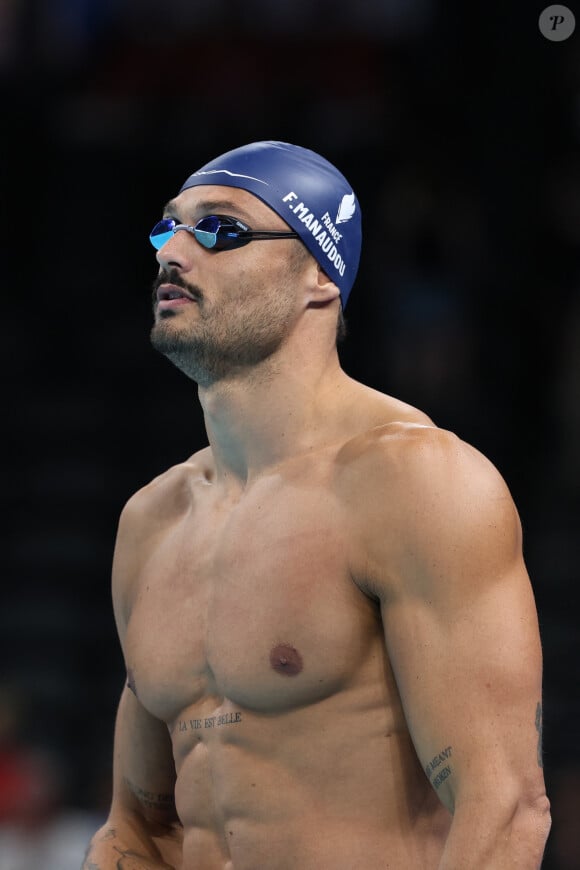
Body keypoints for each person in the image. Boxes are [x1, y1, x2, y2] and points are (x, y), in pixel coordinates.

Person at [83, 141, 551, 869]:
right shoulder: (154, 521)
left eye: (220, 230)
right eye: (167, 227)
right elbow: (139, 830)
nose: (173, 249)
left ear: (319, 278)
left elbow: (505, 809)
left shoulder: (415, 483)